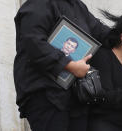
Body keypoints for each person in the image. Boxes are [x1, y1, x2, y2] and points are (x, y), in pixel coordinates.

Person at [13, 0, 110, 131]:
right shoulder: (39, 4)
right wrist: (69, 65)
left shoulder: (78, 6)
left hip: (75, 96)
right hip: (45, 95)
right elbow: (33, 42)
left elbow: (102, 33)